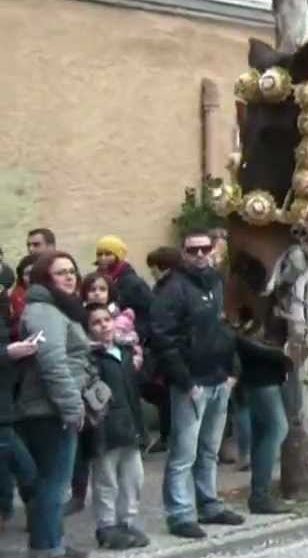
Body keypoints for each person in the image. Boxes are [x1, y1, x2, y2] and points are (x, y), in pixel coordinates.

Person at [152, 230, 245, 539]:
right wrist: (184, 380)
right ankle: (179, 514)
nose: (201, 254)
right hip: (191, 383)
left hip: (219, 378)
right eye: (193, 250)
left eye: (205, 248)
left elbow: (228, 328)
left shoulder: (218, 282)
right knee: (183, 452)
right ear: (184, 253)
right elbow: (163, 339)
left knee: (209, 449)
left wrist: (232, 371)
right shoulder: (172, 288)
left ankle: (209, 504)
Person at [16, 251, 94, 558]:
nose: (69, 277)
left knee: (53, 482)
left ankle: (54, 544)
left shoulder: (56, 308)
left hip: (51, 407)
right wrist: (72, 407)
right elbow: (52, 363)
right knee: (53, 482)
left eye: (72, 271)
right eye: (60, 272)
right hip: (48, 410)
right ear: (45, 279)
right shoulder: (44, 311)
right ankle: (47, 552)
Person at [84, 303, 149, 550]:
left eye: (107, 320)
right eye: (96, 323)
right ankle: (106, 526)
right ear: (88, 329)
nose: (104, 326)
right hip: (105, 428)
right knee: (106, 480)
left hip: (129, 424)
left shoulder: (124, 352)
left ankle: (127, 521)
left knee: (133, 478)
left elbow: (135, 391)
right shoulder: (90, 357)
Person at [230, 326, 293, 514]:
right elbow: (243, 343)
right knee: (277, 429)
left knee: (262, 434)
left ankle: (259, 494)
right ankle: (260, 495)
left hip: (258, 378)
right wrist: (282, 355)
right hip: (262, 379)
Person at [0, 307, 39, 534]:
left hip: (7, 408)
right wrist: (7, 353)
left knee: (10, 476)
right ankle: (44, 536)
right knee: (27, 473)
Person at [140, 246, 181, 455]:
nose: (151, 272)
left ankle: (168, 437)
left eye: (153, 267)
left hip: (168, 352)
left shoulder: (169, 288)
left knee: (166, 397)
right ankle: (168, 436)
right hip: (166, 350)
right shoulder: (166, 286)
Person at [94, 235, 154, 345]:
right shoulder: (97, 279)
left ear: (118, 256)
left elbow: (150, 312)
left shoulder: (134, 283)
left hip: (129, 339)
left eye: (108, 254)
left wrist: (137, 335)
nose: (103, 258)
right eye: (99, 254)